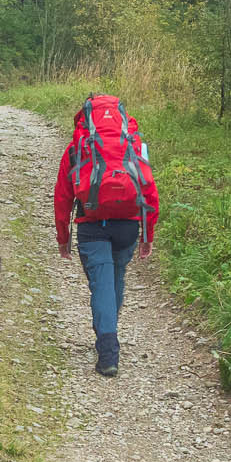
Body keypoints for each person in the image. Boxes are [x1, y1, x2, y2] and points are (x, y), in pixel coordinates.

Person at [53, 92, 160, 377]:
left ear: (86, 116)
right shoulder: (135, 145)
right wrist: (147, 235)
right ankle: (106, 330)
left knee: (102, 285)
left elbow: (62, 196)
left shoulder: (77, 147)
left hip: (91, 223)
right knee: (115, 277)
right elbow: (149, 190)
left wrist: (63, 237)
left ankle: (108, 353)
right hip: (128, 224)